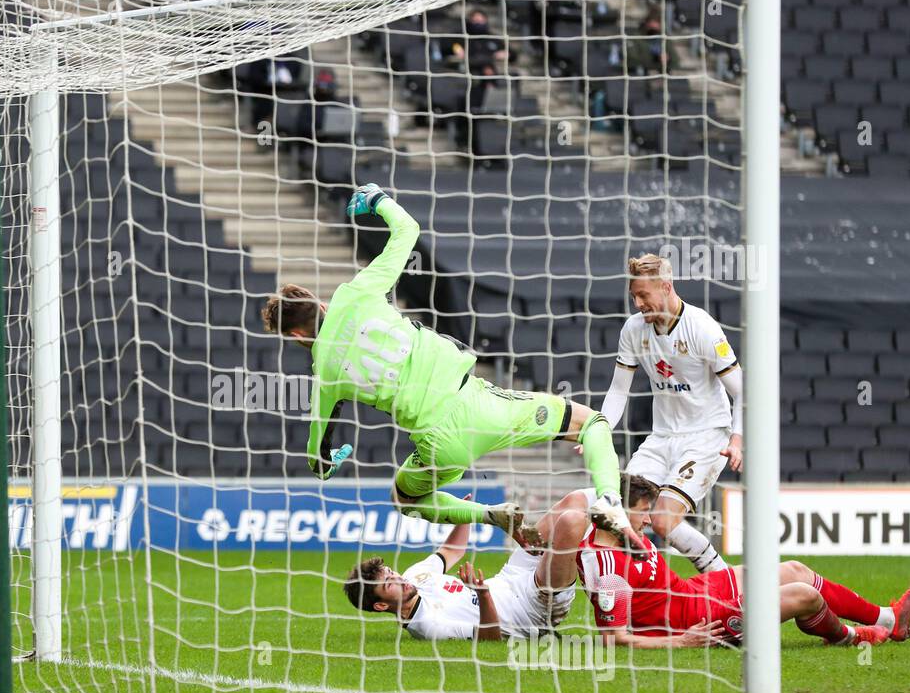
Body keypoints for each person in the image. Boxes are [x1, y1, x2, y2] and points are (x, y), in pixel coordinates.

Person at [261, 183, 634, 540]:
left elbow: (316, 459)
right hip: (478, 403)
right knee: (590, 423)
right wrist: (378, 199)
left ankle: (491, 514)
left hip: (438, 444)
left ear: (294, 336)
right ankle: (609, 501)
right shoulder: (356, 293)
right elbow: (407, 229)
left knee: (404, 499)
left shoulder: (325, 377)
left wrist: (331, 460)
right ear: (321, 304)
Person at [575, 482, 910, 648]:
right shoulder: (608, 571)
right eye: (642, 512)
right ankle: (850, 638)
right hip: (699, 620)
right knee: (804, 594)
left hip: (694, 591)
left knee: (795, 569)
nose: (649, 519)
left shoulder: (620, 533)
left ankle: (890, 619)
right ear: (618, 514)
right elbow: (612, 637)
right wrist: (680, 641)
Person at [594, 253, 741, 573]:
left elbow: (742, 391)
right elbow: (619, 389)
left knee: (662, 520)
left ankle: (727, 583)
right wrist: (599, 430)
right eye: (633, 295)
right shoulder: (633, 330)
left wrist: (738, 438)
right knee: (617, 516)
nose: (637, 303)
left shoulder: (702, 328)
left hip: (706, 437)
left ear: (666, 286)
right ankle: (625, 602)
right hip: (661, 438)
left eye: (643, 295)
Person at [343, 486, 603, 641]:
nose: (399, 578)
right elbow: (490, 637)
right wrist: (482, 593)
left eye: (392, 572)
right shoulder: (428, 626)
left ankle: (632, 502)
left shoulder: (415, 575)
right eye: (390, 583)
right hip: (535, 606)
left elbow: (451, 550)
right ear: (380, 605)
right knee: (570, 521)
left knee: (575, 499)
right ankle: (605, 556)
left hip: (512, 575)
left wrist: (464, 515)